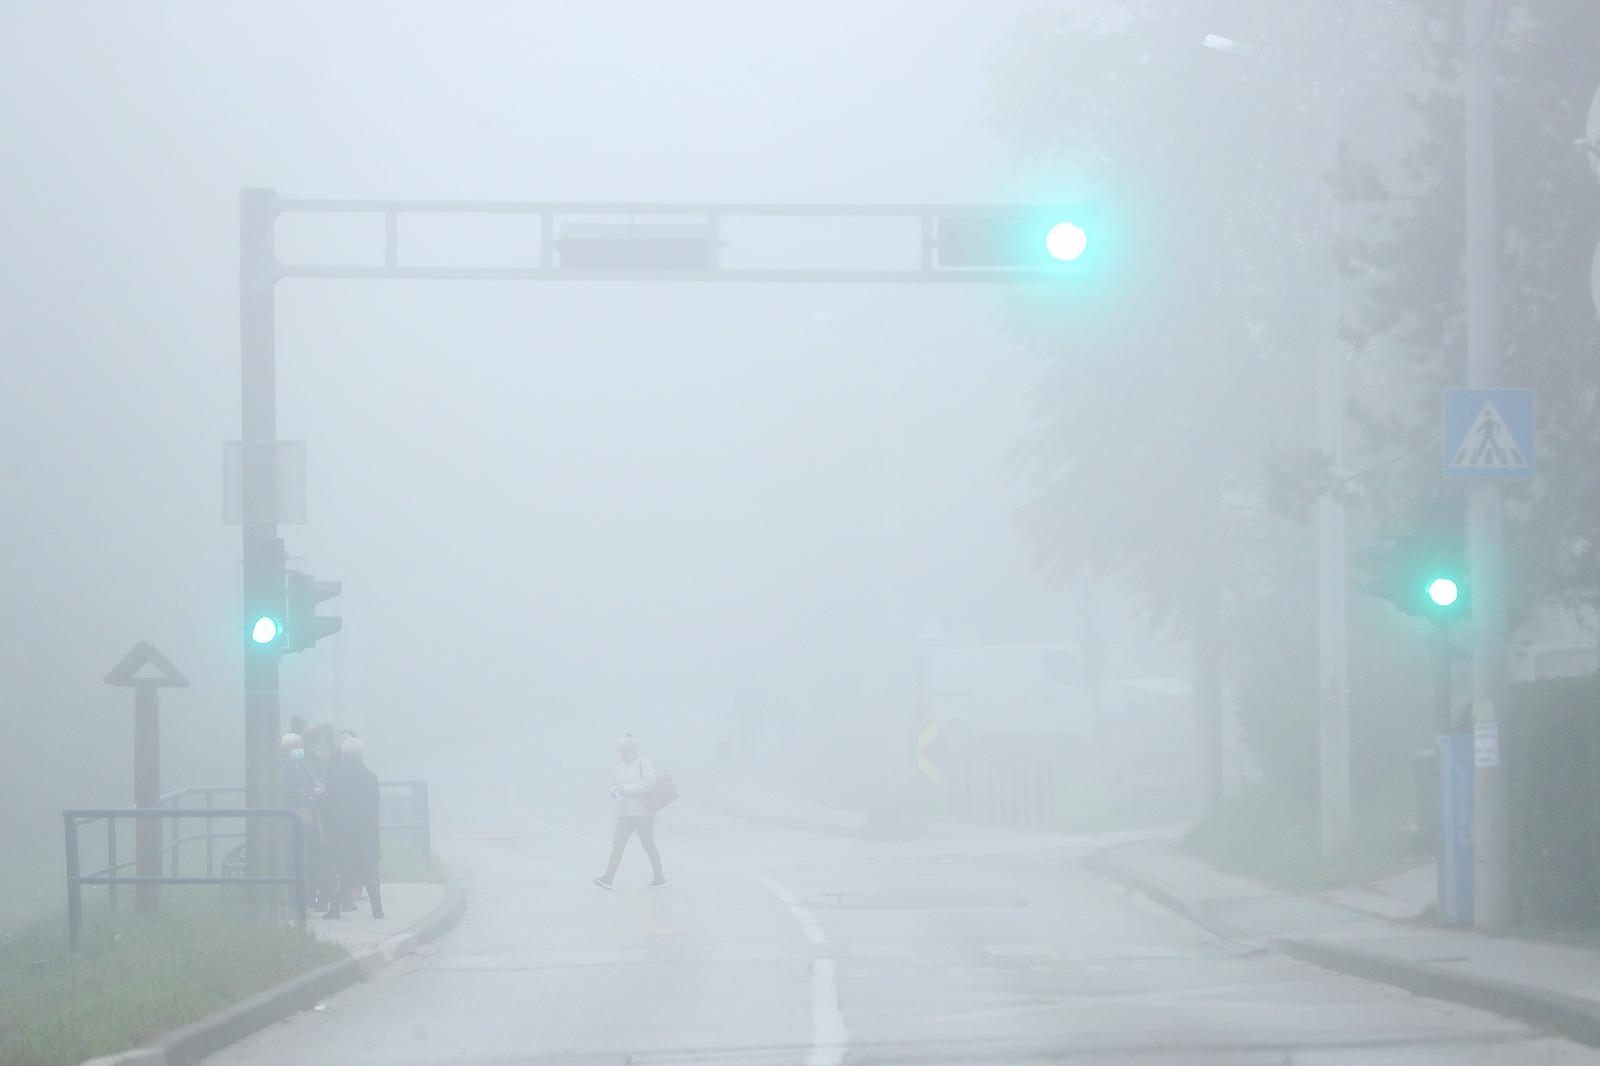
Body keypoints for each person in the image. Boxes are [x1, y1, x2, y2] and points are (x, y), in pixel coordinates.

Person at [320, 736, 384, 919]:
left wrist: (326, 826)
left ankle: (334, 909)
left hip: (340, 833)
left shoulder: (335, 777)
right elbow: (375, 806)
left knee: (338, 869)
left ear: (345, 756)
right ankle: (377, 909)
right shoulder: (371, 778)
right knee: (370, 869)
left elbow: (327, 806)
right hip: (366, 833)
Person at [593, 734, 666, 890]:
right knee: (617, 846)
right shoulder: (619, 766)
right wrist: (613, 791)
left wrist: (625, 789)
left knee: (647, 844)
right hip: (624, 813)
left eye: (626, 750)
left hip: (643, 813)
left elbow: (650, 783)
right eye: (621, 751)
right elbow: (613, 784)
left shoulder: (644, 763)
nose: (623, 754)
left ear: (633, 749)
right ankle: (608, 878)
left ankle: (659, 877)